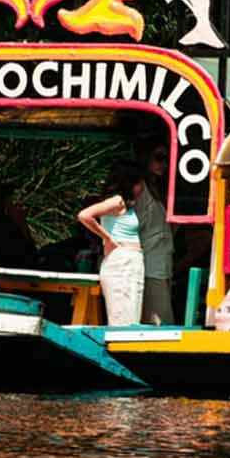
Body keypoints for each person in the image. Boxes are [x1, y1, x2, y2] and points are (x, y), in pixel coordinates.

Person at [77, 160, 146, 326]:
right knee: (123, 318)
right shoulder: (117, 201)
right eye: (139, 183)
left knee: (130, 316)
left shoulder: (127, 205)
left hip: (130, 263)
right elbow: (85, 215)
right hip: (122, 263)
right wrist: (107, 238)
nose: (142, 188)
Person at [135, 140, 175, 325]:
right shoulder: (140, 188)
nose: (164, 165)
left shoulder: (156, 189)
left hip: (162, 263)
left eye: (166, 159)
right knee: (159, 321)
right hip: (149, 264)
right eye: (159, 158)